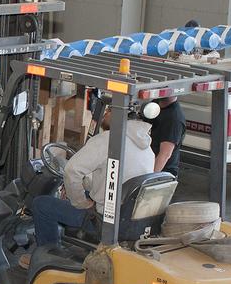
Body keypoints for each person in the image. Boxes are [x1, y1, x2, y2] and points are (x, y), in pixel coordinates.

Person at [24, 108, 154, 266]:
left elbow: (71, 171)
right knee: (77, 191)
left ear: (120, 114)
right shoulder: (146, 147)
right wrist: (83, 185)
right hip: (129, 218)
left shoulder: (108, 140)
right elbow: (112, 179)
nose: (105, 113)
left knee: (41, 204)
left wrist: (80, 202)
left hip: (103, 221)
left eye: (109, 109)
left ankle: (46, 258)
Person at [147, 95, 185, 176]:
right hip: (148, 163)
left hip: (163, 173)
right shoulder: (155, 104)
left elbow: (165, 154)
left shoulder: (174, 119)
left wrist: (148, 178)